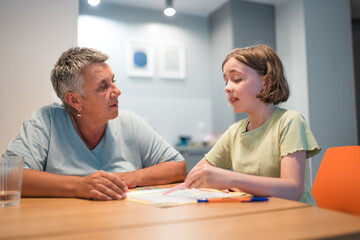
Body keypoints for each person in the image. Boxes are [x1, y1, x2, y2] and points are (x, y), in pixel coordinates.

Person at [6, 47, 187, 201]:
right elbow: (9, 176)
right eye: (103, 86)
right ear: (74, 100)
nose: (117, 91)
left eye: (113, 81)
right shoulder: (45, 122)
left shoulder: (130, 123)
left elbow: (177, 166)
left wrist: (131, 177)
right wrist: (79, 185)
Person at [185, 45, 321, 205]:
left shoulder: (290, 121)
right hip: (256, 218)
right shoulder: (234, 132)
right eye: (226, 81)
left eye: (236, 79)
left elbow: (292, 190)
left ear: (266, 82)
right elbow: (194, 177)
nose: (227, 88)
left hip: (294, 219)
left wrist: (230, 179)